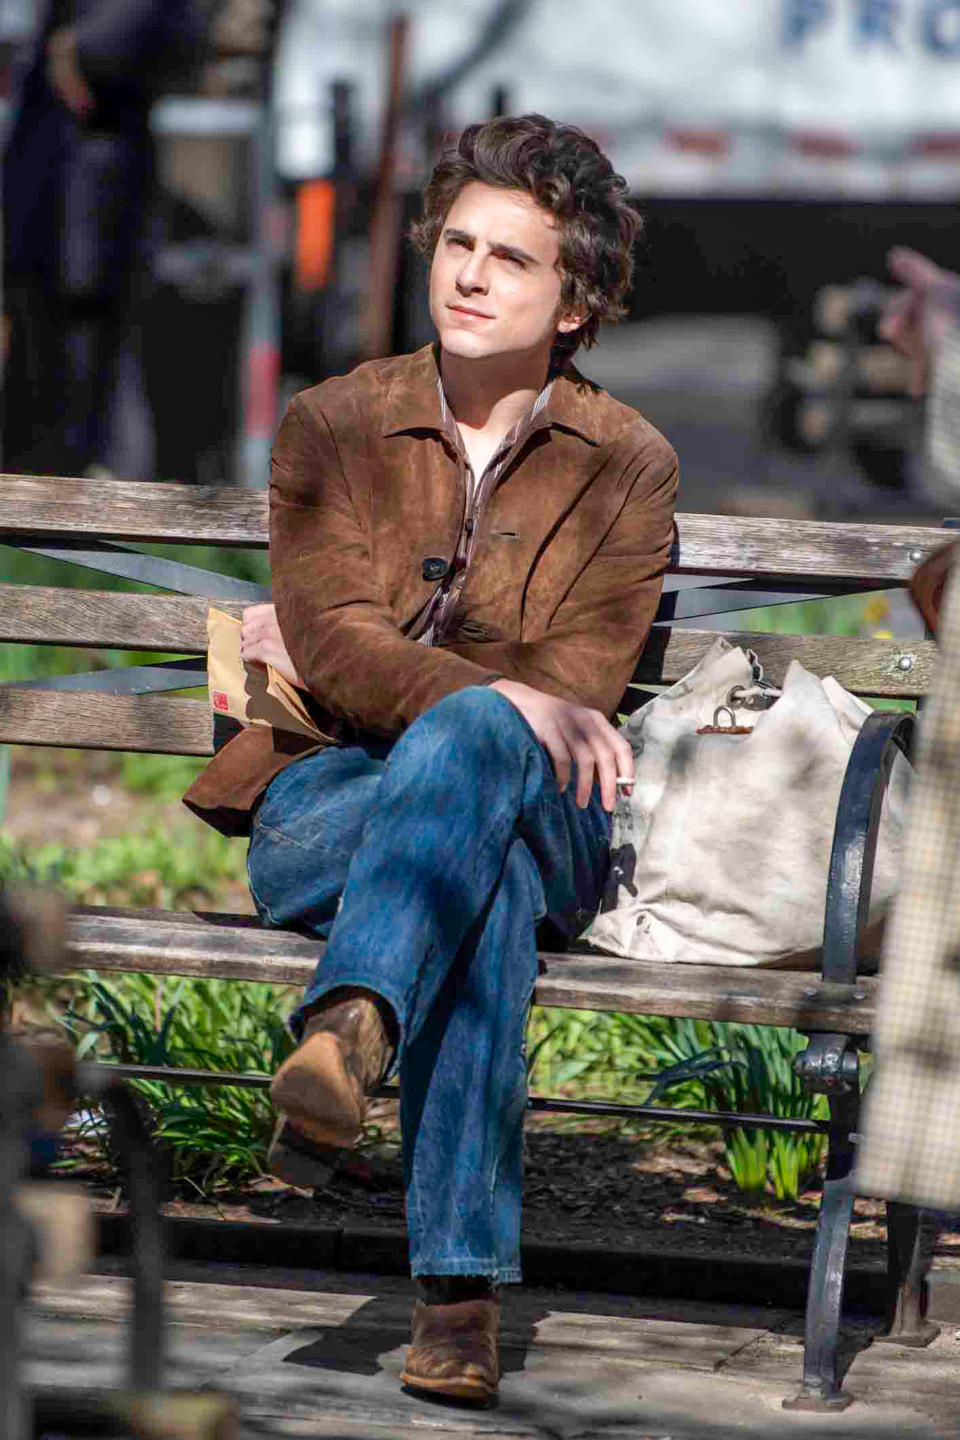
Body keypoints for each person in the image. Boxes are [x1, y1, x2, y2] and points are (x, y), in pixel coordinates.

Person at [184, 113, 678, 1403]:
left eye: (510, 258)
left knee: (485, 770)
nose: (467, 274)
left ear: (575, 303)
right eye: (456, 243)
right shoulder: (333, 424)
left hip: (550, 811)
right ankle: (457, 1296)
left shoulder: (628, 466)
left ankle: (354, 1023)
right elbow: (333, 646)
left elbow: (576, 699)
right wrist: (495, 700)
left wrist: (494, 707)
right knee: (484, 877)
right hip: (326, 810)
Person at [1, 0, 203, 476]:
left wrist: (74, 50)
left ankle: (96, 490)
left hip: (94, 198)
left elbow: (137, 36)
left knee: (99, 364)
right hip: (59, 202)